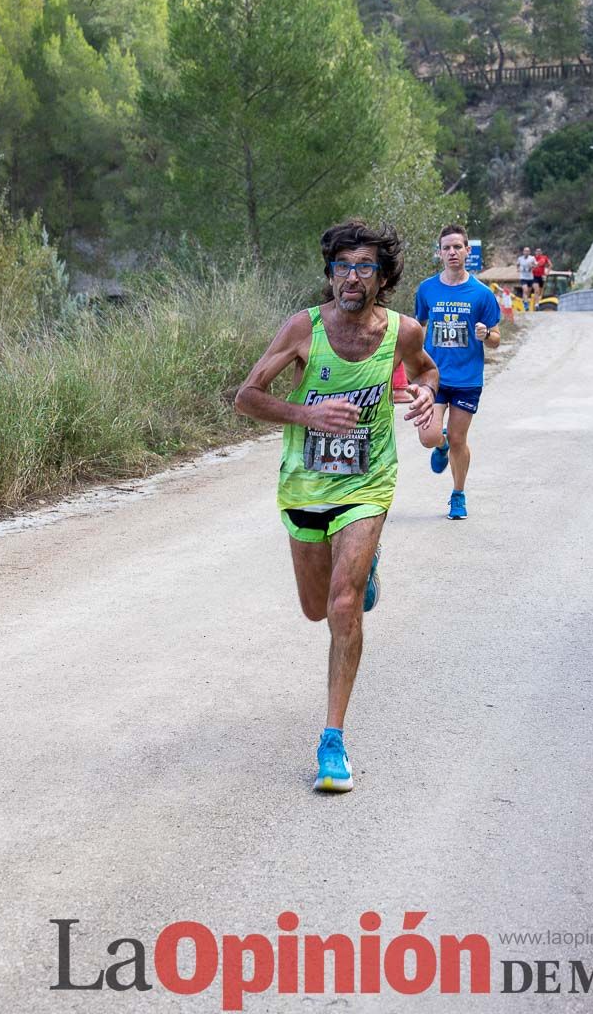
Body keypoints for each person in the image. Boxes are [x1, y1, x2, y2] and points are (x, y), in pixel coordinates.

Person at [235, 221, 438, 794]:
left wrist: (425, 392)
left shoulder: (404, 331)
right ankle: (362, 568)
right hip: (304, 487)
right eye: (343, 266)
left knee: (344, 604)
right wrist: (308, 415)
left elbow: (425, 369)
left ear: (383, 277)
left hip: (368, 484)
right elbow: (246, 397)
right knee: (315, 608)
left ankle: (332, 739)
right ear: (330, 274)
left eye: (365, 267)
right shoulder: (303, 328)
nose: (353, 277)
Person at [415, 224, 501, 521]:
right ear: (439, 253)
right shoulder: (427, 289)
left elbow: (496, 339)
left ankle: (458, 494)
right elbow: (419, 329)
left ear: (467, 251)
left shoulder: (482, 294)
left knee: (458, 438)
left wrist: (486, 334)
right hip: (433, 377)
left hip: (466, 379)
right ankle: (440, 447)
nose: (452, 252)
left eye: (457, 247)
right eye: (446, 247)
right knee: (428, 436)